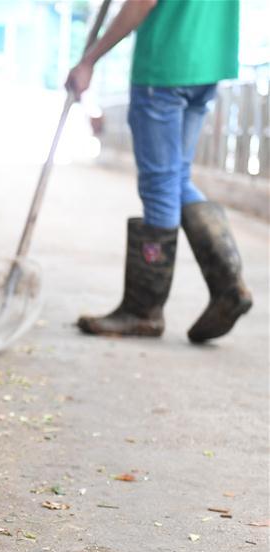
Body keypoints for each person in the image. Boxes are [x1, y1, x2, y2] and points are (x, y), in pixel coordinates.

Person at [65, 0, 252, 342]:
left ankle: (143, 311)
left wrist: (89, 60)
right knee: (175, 178)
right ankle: (228, 285)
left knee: (160, 186)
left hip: (166, 62)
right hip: (209, 63)